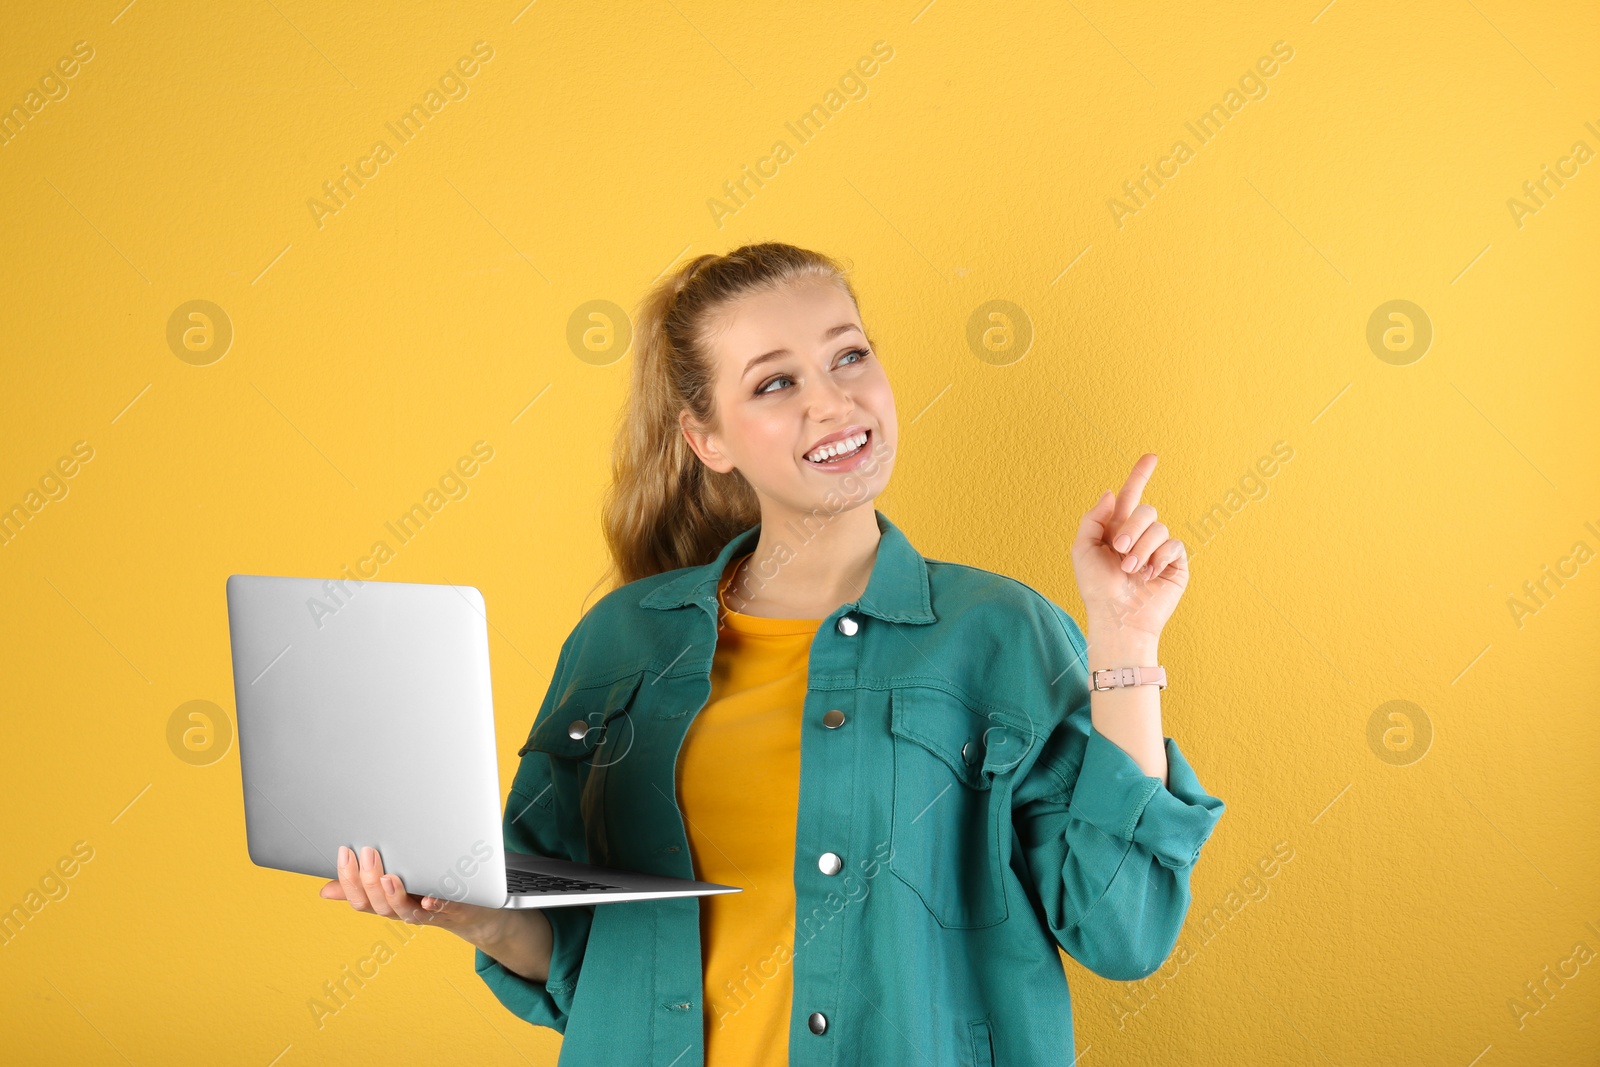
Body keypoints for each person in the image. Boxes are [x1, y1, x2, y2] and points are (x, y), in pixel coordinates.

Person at [319, 241, 1225, 1065]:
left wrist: (1126, 635)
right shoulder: (620, 640)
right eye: (774, 383)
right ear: (705, 438)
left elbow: (1124, 930)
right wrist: (467, 910)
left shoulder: (1000, 632)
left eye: (849, 355)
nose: (833, 400)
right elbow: (581, 961)